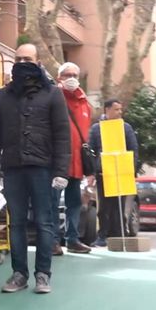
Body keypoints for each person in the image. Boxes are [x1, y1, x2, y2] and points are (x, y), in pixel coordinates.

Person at [0, 43, 71, 294]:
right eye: (19, 59)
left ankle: (43, 275)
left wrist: (61, 172)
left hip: (43, 169)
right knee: (17, 223)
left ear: (38, 61)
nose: (23, 63)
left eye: (28, 59)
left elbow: (62, 136)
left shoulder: (53, 94)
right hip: (13, 168)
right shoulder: (3, 96)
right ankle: (19, 274)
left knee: (45, 222)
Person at [51, 62, 93, 254]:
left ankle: (72, 239)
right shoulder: (53, 97)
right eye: (67, 74)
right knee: (51, 202)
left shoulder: (84, 102)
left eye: (75, 74)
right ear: (59, 77)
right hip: (56, 162)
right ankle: (52, 241)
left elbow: (86, 134)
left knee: (74, 203)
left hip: (77, 163)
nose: (71, 78)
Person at [88, 99, 139, 247]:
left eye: (120, 110)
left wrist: (131, 170)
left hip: (122, 173)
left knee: (120, 206)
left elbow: (133, 150)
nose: (119, 112)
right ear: (107, 110)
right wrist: (92, 171)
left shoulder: (126, 128)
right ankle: (102, 235)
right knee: (103, 206)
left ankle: (120, 234)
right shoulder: (97, 129)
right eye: (116, 109)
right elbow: (90, 151)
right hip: (104, 173)